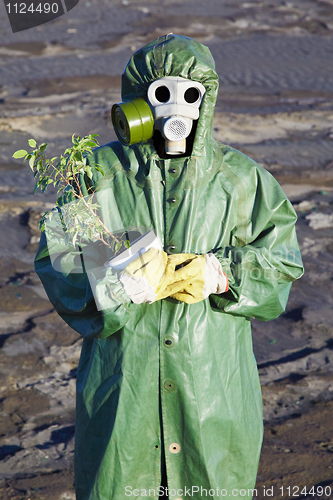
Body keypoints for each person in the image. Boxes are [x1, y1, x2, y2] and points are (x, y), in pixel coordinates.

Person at [35, 34, 304, 500]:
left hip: (213, 396)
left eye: (190, 94)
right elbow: (60, 260)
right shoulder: (95, 176)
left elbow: (282, 263)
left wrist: (222, 273)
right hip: (124, 394)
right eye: (162, 94)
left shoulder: (241, 181)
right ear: (138, 102)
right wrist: (114, 282)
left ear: (207, 100)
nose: (176, 109)